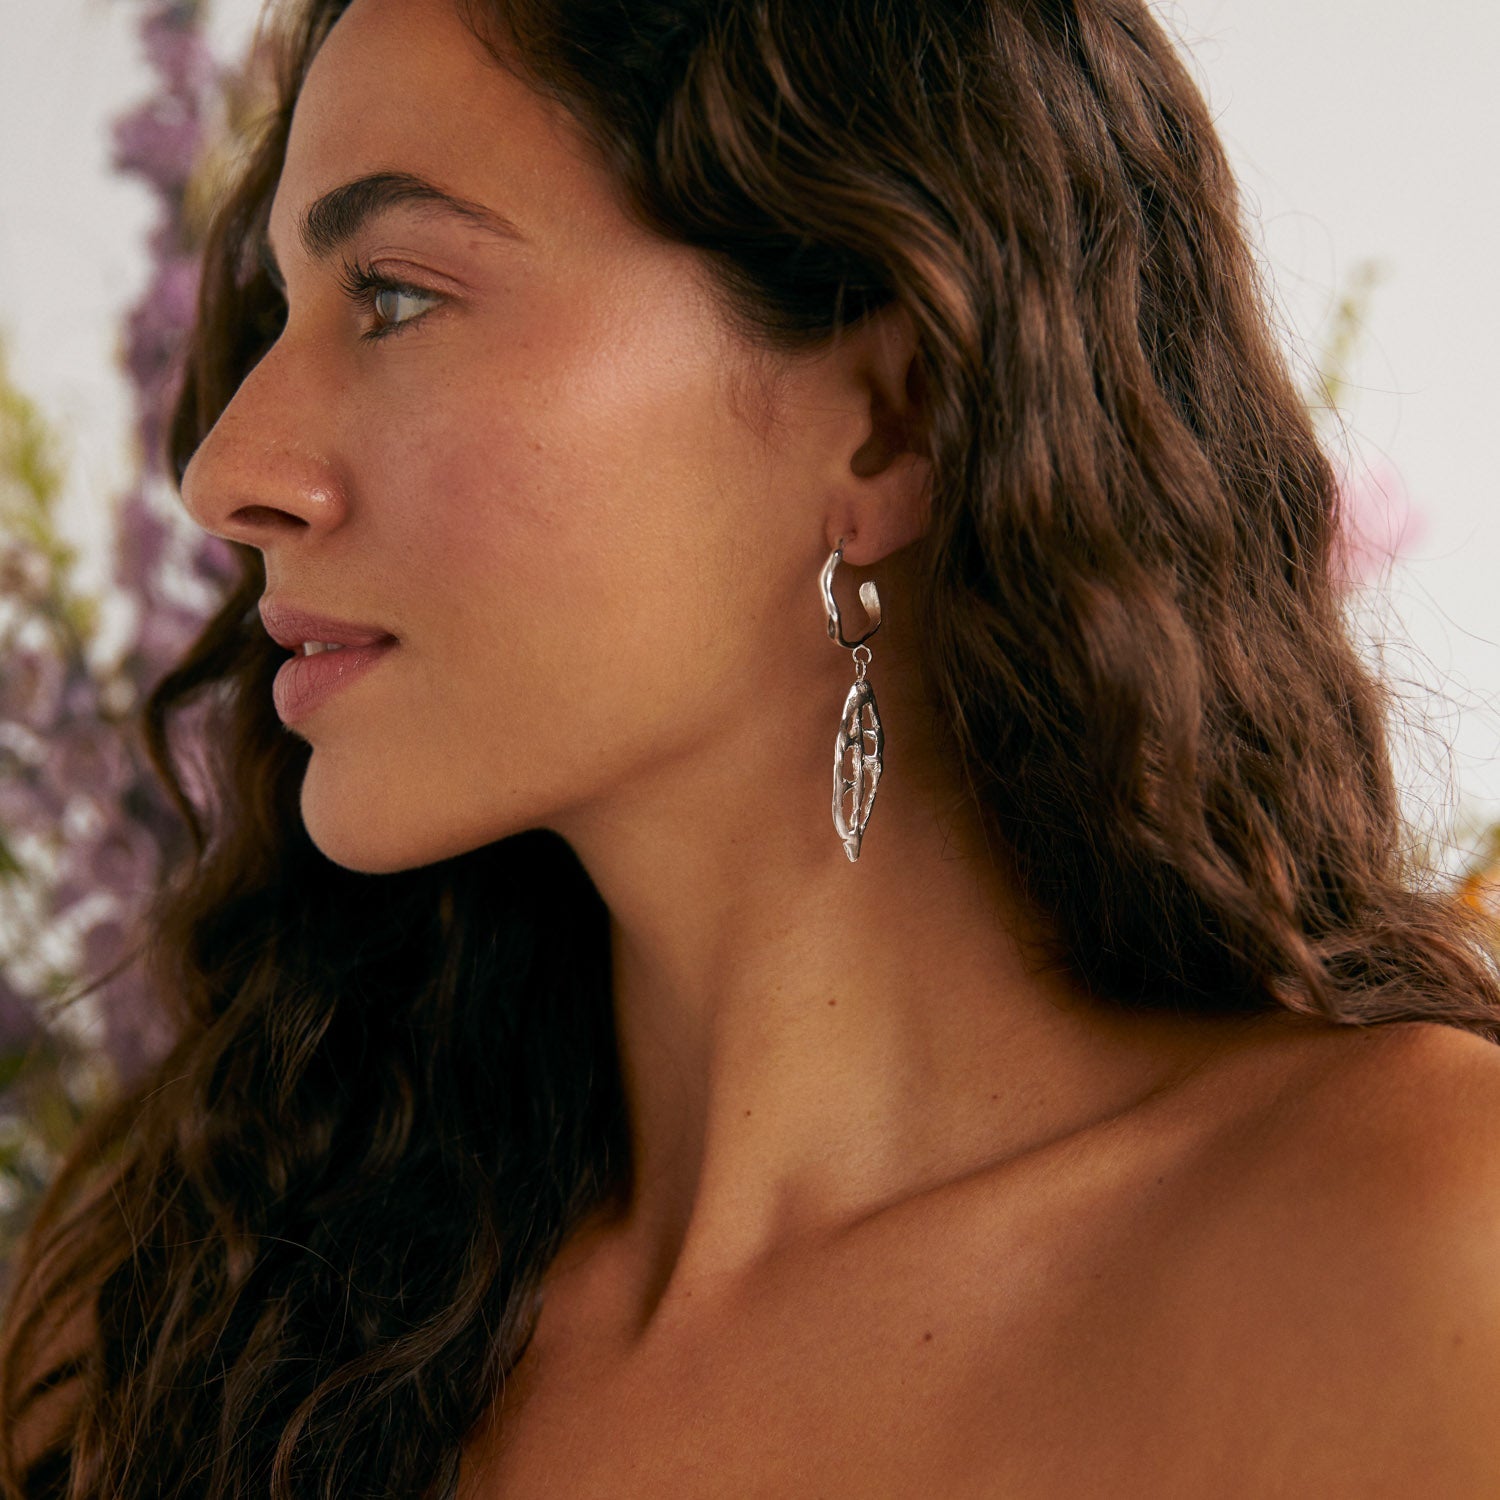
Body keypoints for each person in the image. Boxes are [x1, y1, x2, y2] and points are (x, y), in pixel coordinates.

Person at [5, 0, 1500, 1493]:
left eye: (394, 296)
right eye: (281, 310)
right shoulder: (176, 1334)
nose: (225, 473)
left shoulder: (1424, 1250)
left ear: (887, 424)